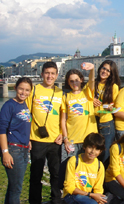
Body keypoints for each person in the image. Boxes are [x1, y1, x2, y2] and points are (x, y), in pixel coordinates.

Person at [26, 61, 64, 204]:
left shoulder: (60, 93)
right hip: (36, 140)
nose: (49, 76)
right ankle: (35, 201)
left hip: (55, 140)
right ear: (42, 74)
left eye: (52, 73)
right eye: (47, 73)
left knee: (55, 174)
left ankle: (56, 200)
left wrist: (62, 133)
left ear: (56, 75)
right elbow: (27, 115)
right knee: (36, 175)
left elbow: (63, 116)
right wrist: (27, 138)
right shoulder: (34, 90)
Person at [0, 77, 32, 204]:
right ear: (15, 88)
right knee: (16, 189)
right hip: (13, 149)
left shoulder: (24, 104)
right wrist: (5, 152)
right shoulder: (9, 105)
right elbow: (2, 131)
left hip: (23, 150)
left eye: (27, 90)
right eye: (21, 89)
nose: (23, 93)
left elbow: (23, 125)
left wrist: (27, 140)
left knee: (13, 187)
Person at [61, 63, 98, 162]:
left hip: (88, 140)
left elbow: (91, 80)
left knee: (85, 169)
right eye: (71, 81)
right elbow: (63, 120)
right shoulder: (65, 97)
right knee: (68, 167)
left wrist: (92, 69)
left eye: (77, 80)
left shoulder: (87, 92)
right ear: (68, 83)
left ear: (81, 80)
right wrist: (66, 139)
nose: (74, 83)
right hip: (72, 139)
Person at [63, 133, 107, 204]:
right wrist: (90, 194)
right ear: (84, 147)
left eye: (97, 149)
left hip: (88, 197)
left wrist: (99, 199)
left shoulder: (100, 166)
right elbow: (69, 187)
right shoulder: (74, 161)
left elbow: (98, 189)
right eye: (90, 147)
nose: (93, 151)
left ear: (100, 151)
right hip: (72, 196)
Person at [93, 60, 120, 165]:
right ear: (100, 68)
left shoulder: (114, 87)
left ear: (111, 74)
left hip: (106, 122)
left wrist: (111, 107)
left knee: (105, 152)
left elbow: (115, 104)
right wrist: (91, 100)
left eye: (108, 71)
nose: (105, 71)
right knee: (93, 150)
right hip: (92, 121)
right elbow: (82, 98)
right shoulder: (92, 84)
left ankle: (104, 178)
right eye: (104, 68)